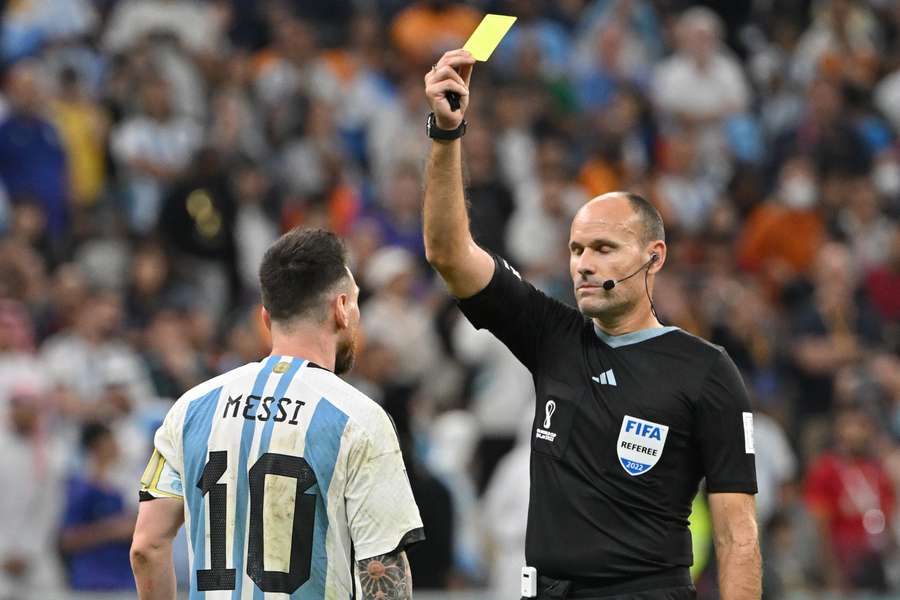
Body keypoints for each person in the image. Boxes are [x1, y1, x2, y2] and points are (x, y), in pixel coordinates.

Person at [422, 49, 760, 599]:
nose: (583, 262)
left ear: (654, 257)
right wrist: (445, 133)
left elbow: (737, 534)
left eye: (604, 248)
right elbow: (447, 253)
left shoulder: (705, 371)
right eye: (577, 248)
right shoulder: (552, 335)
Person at [130, 228, 424, 599]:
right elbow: (383, 574)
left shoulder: (190, 409)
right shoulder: (359, 419)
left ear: (267, 317)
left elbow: (147, 548)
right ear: (341, 308)